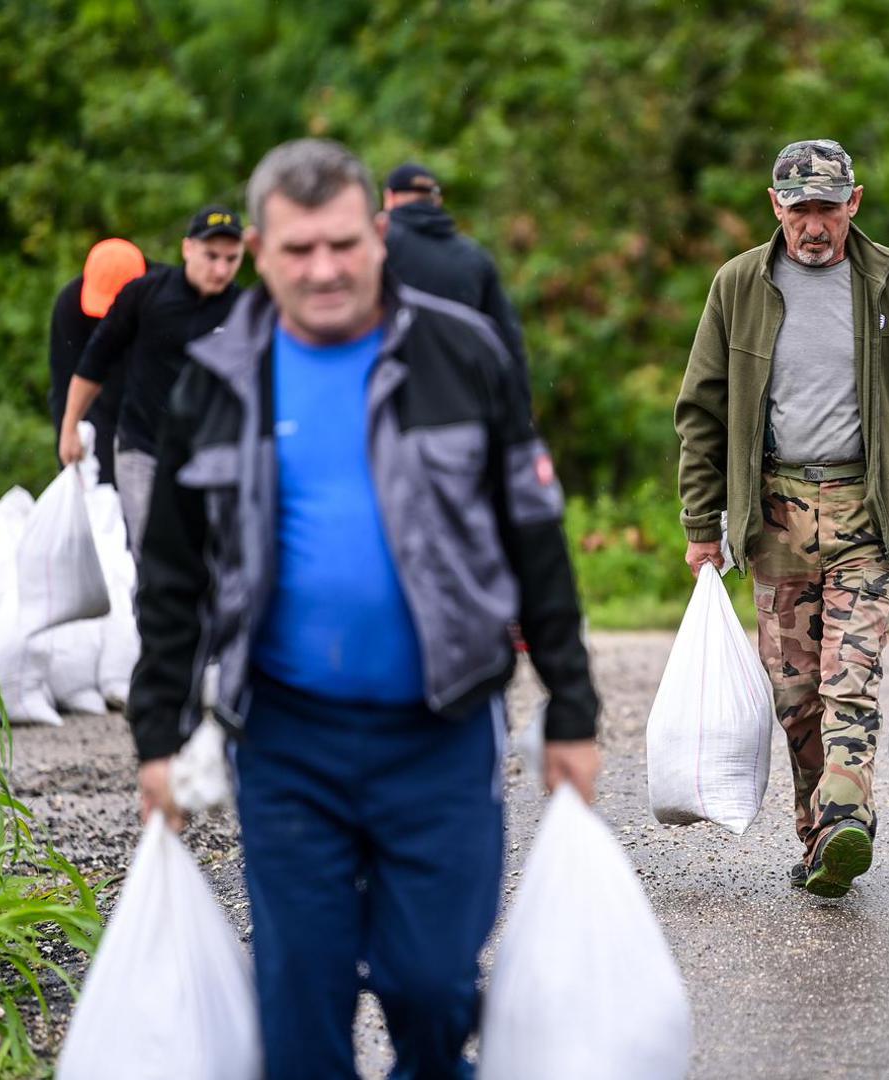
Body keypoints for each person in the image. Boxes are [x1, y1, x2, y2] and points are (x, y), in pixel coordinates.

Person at [126, 138, 601, 1076]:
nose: (325, 269)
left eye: (343, 243)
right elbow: (172, 579)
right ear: (260, 250)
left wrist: (572, 708)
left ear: (380, 236)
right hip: (288, 739)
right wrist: (158, 738)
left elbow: (533, 537)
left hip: (442, 728)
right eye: (299, 250)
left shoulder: (460, 354)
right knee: (299, 997)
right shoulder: (216, 383)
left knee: (431, 985)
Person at [675, 139, 889, 898]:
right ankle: (822, 840)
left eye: (827, 208)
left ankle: (846, 815)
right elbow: (702, 411)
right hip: (774, 518)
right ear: (774, 206)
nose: (814, 225)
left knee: (852, 675)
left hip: (867, 511)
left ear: (855, 202)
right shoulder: (737, 285)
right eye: (798, 209)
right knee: (796, 694)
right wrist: (700, 521)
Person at [58, 207, 246, 558]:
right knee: (154, 557)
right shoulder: (145, 295)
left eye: (231, 259)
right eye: (211, 256)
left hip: (212, 453)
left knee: (213, 558)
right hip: (143, 449)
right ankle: (146, 610)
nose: (220, 270)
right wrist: (69, 426)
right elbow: (94, 362)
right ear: (188, 248)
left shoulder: (245, 311)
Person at [383, 161, 531, 378]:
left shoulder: (374, 248)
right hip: (459, 397)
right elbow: (508, 345)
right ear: (437, 201)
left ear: (390, 198)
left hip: (387, 393)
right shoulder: (476, 258)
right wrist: (519, 409)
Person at [47, 238, 148, 484]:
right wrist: (67, 435)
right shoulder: (70, 305)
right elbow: (63, 381)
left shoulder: (161, 301)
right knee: (98, 486)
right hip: (94, 407)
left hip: (145, 412)